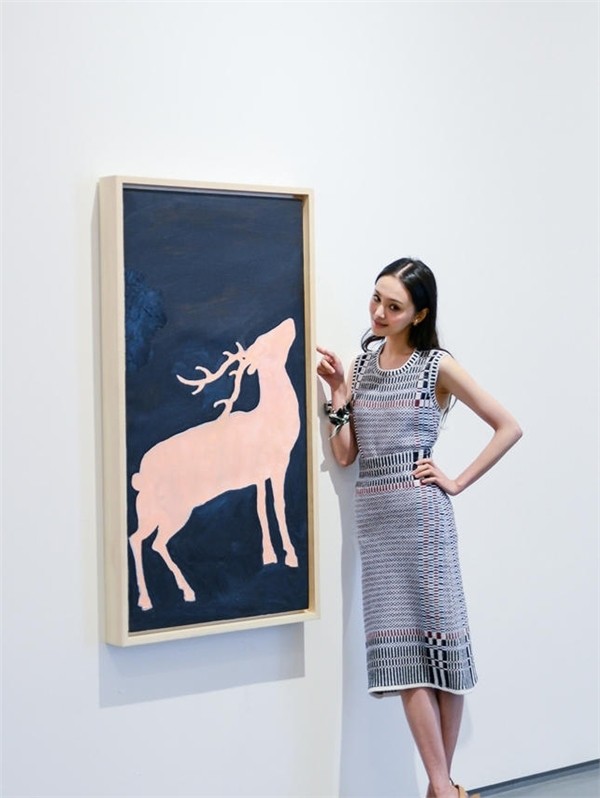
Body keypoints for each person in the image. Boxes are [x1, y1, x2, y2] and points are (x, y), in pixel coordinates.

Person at [316, 258, 522, 798]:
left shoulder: (437, 366)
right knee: (403, 656)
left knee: (442, 653)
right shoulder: (362, 365)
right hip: (376, 520)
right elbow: (346, 455)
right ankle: (445, 788)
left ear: (419, 314)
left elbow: (508, 426)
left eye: (394, 306)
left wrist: (456, 481)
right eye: (377, 299)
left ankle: (439, 789)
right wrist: (338, 392)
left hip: (423, 520)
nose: (379, 313)